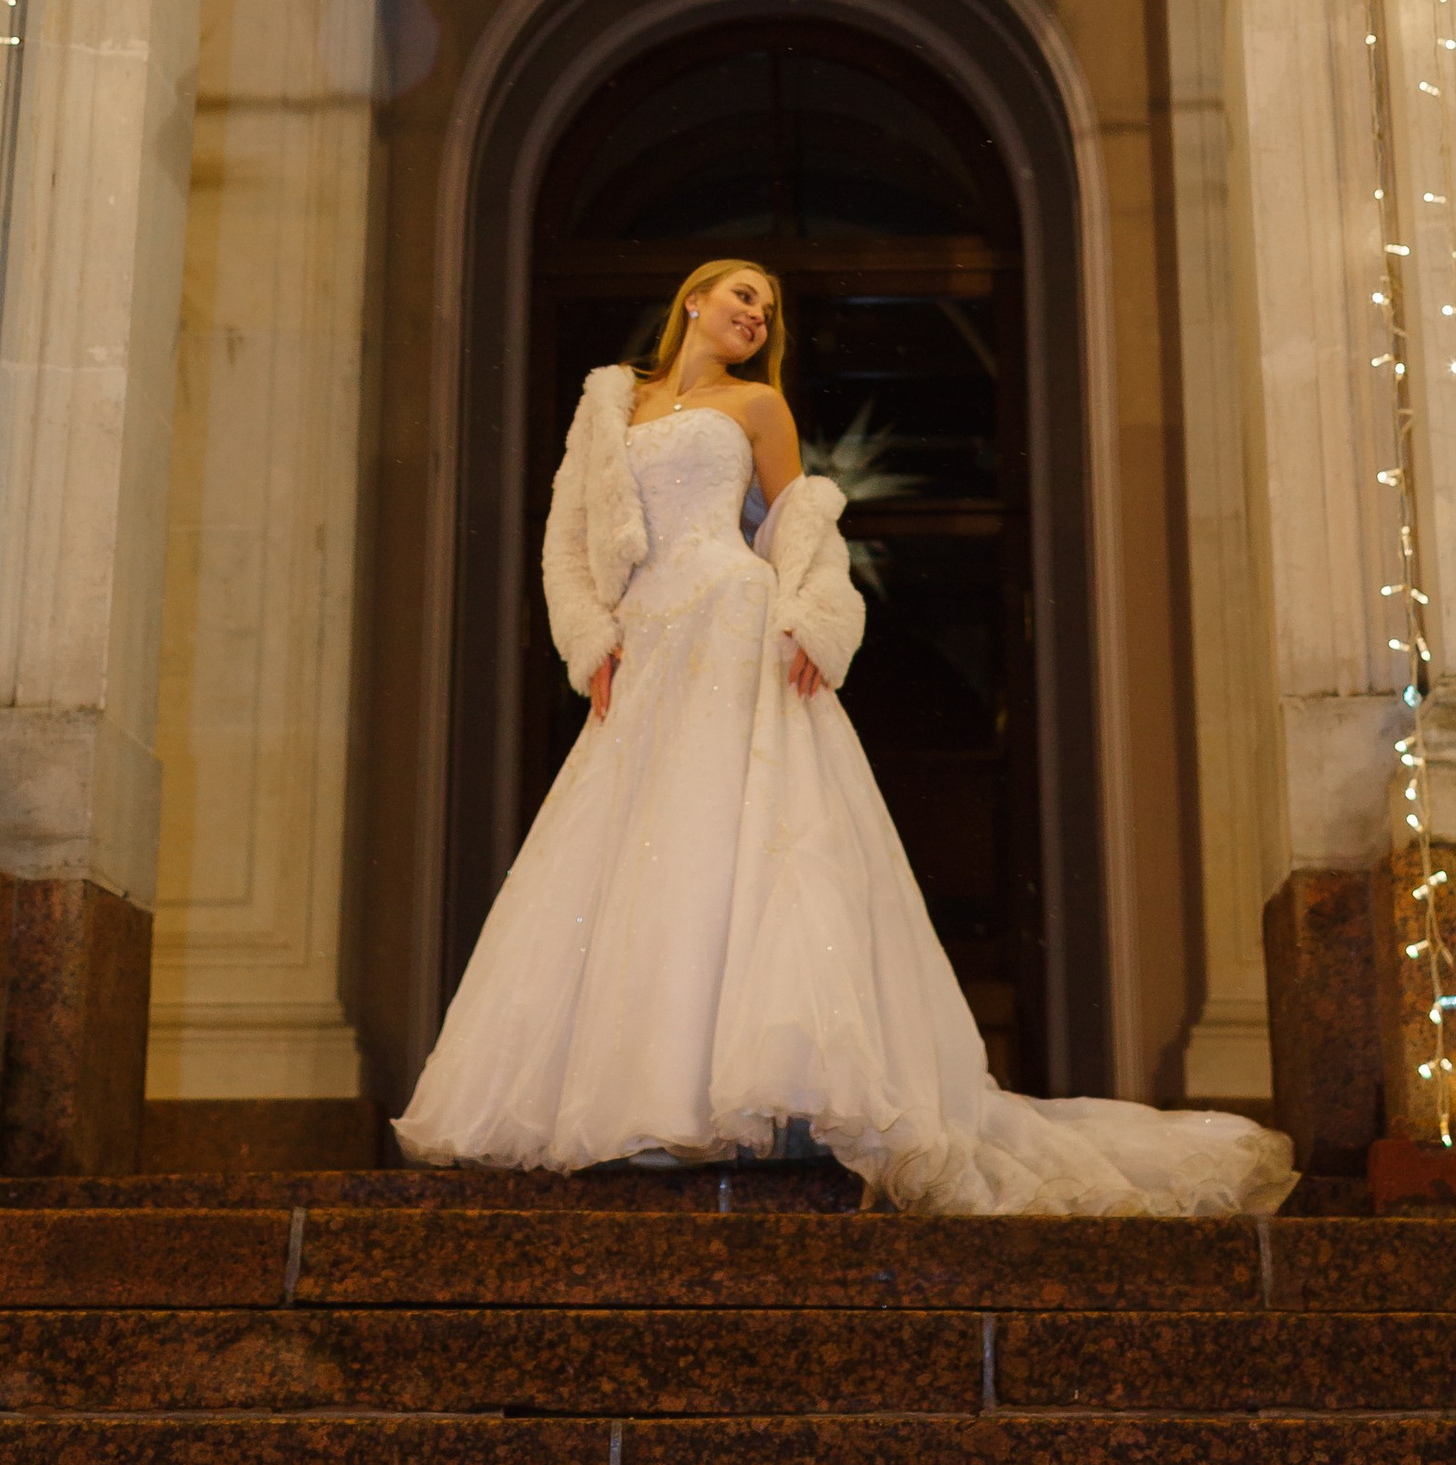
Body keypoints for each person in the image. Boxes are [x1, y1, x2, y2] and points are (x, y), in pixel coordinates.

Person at [396, 255, 1294, 1219]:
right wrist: (587, 639)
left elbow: (797, 520)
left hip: (734, 626)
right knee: (640, 859)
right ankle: (643, 1099)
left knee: (742, 847)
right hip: (648, 651)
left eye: (769, 308)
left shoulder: (758, 408)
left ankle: (733, 1099)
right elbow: (567, 539)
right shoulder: (612, 404)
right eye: (743, 293)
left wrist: (813, 616)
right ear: (694, 299)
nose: (756, 313)